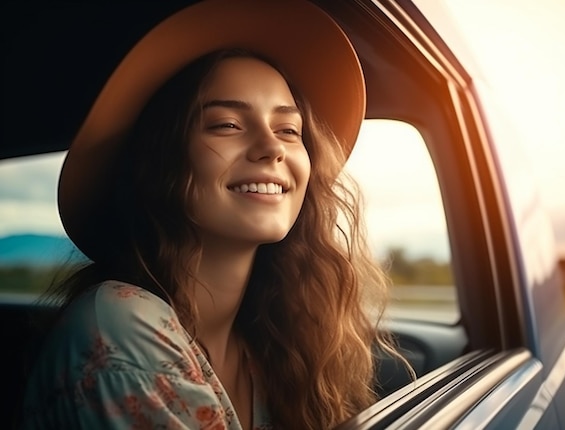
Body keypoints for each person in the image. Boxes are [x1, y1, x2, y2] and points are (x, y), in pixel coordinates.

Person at [22, 0, 404, 428]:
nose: (272, 147)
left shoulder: (272, 344)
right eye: (227, 124)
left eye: (289, 130)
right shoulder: (120, 324)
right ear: (160, 159)